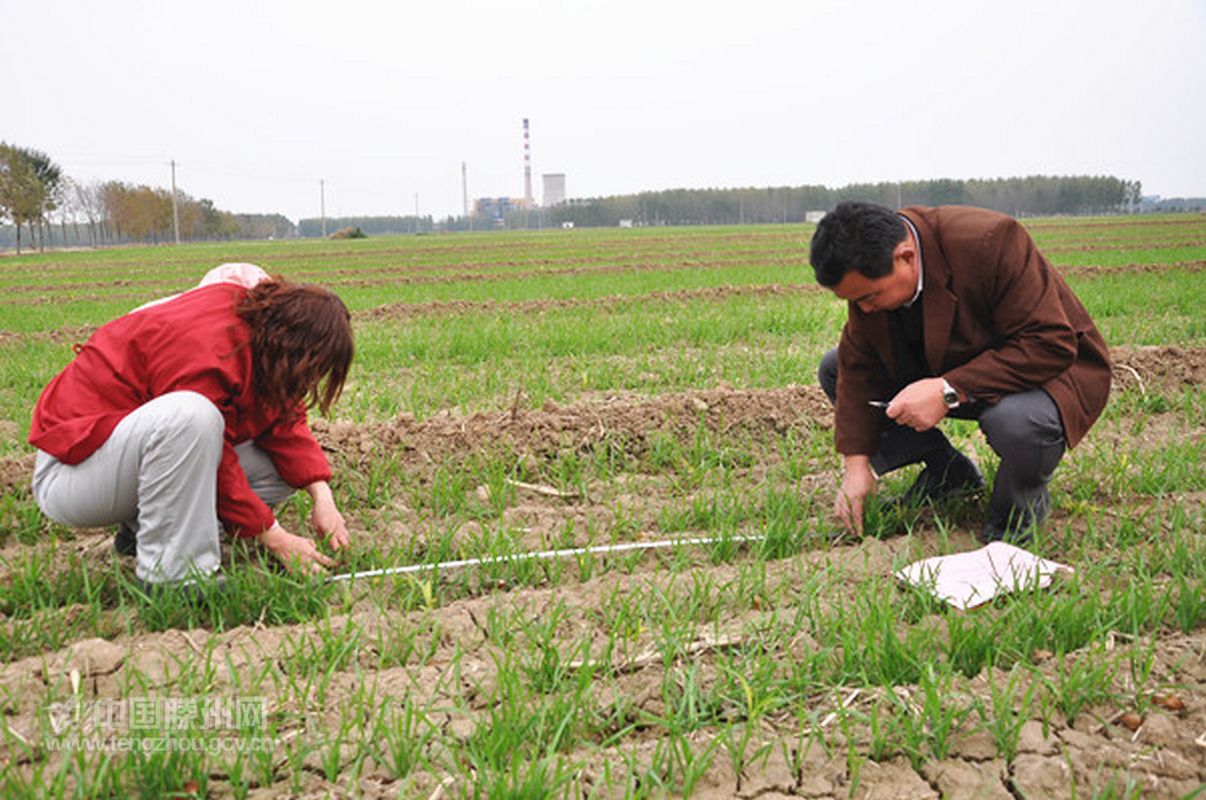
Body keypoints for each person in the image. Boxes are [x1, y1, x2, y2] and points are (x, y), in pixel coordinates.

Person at [29, 269, 355, 586]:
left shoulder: (260, 339)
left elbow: (286, 422)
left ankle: (145, 531)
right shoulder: (210, 345)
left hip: (128, 462)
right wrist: (276, 537)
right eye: (314, 368)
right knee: (192, 415)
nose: (313, 380)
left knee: (278, 467)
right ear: (293, 347)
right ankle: (174, 577)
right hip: (72, 474)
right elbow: (219, 463)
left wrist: (323, 500)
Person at [810, 202, 1111, 542]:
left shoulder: (991, 241)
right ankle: (950, 473)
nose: (863, 309)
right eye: (853, 301)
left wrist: (947, 389)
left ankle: (1015, 517)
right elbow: (858, 369)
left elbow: (1050, 343)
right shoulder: (869, 278)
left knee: (1016, 422)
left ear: (906, 257)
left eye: (869, 296)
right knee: (834, 368)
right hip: (954, 363)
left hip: (1050, 372)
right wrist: (856, 466)